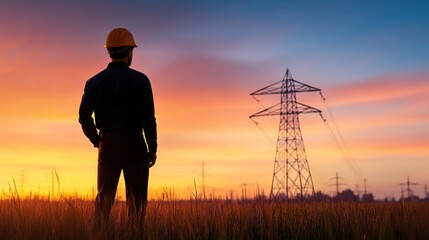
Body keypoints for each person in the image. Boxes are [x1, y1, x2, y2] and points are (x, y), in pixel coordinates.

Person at [78, 28, 157, 225]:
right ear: (129, 51)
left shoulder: (93, 82)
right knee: (136, 203)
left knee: (103, 201)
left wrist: (98, 140)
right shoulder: (140, 80)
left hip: (108, 144)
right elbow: (149, 119)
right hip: (134, 144)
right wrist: (152, 149)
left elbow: (83, 116)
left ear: (110, 52)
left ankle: (98, 237)